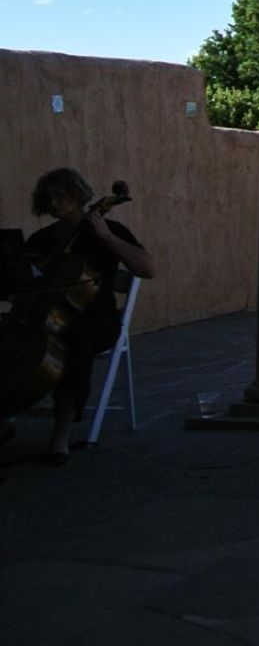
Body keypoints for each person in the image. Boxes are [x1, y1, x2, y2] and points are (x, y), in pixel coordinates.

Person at [4, 168, 155, 464]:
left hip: (97, 320)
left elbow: (147, 268)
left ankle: (60, 434)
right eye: (48, 197)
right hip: (42, 318)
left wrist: (107, 237)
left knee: (74, 339)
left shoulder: (108, 231)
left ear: (77, 195)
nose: (53, 203)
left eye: (60, 196)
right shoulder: (42, 239)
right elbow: (23, 283)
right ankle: (4, 415)